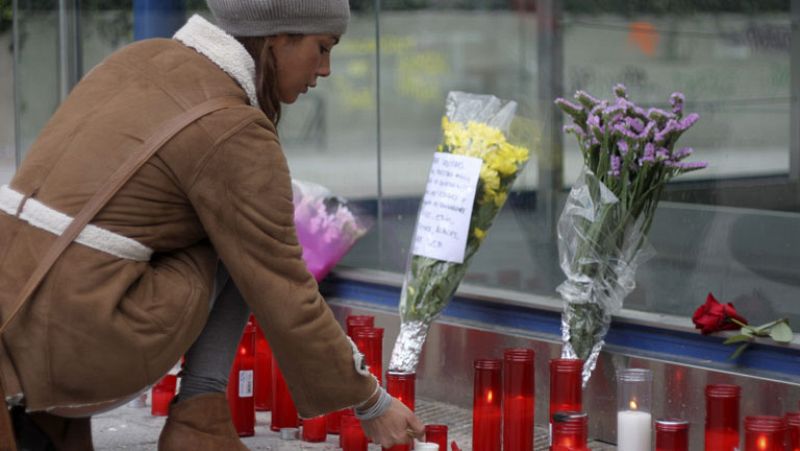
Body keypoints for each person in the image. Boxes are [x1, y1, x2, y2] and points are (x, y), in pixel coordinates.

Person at [0, 0, 424, 449]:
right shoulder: (233, 131)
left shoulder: (138, 59)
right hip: (80, 348)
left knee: (230, 218)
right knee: (245, 235)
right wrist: (372, 403)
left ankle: (183, 421)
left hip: (16, 328)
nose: (326, 69)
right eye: (322, 47)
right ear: (278, 37)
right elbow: (286, 291)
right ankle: (198, 420)